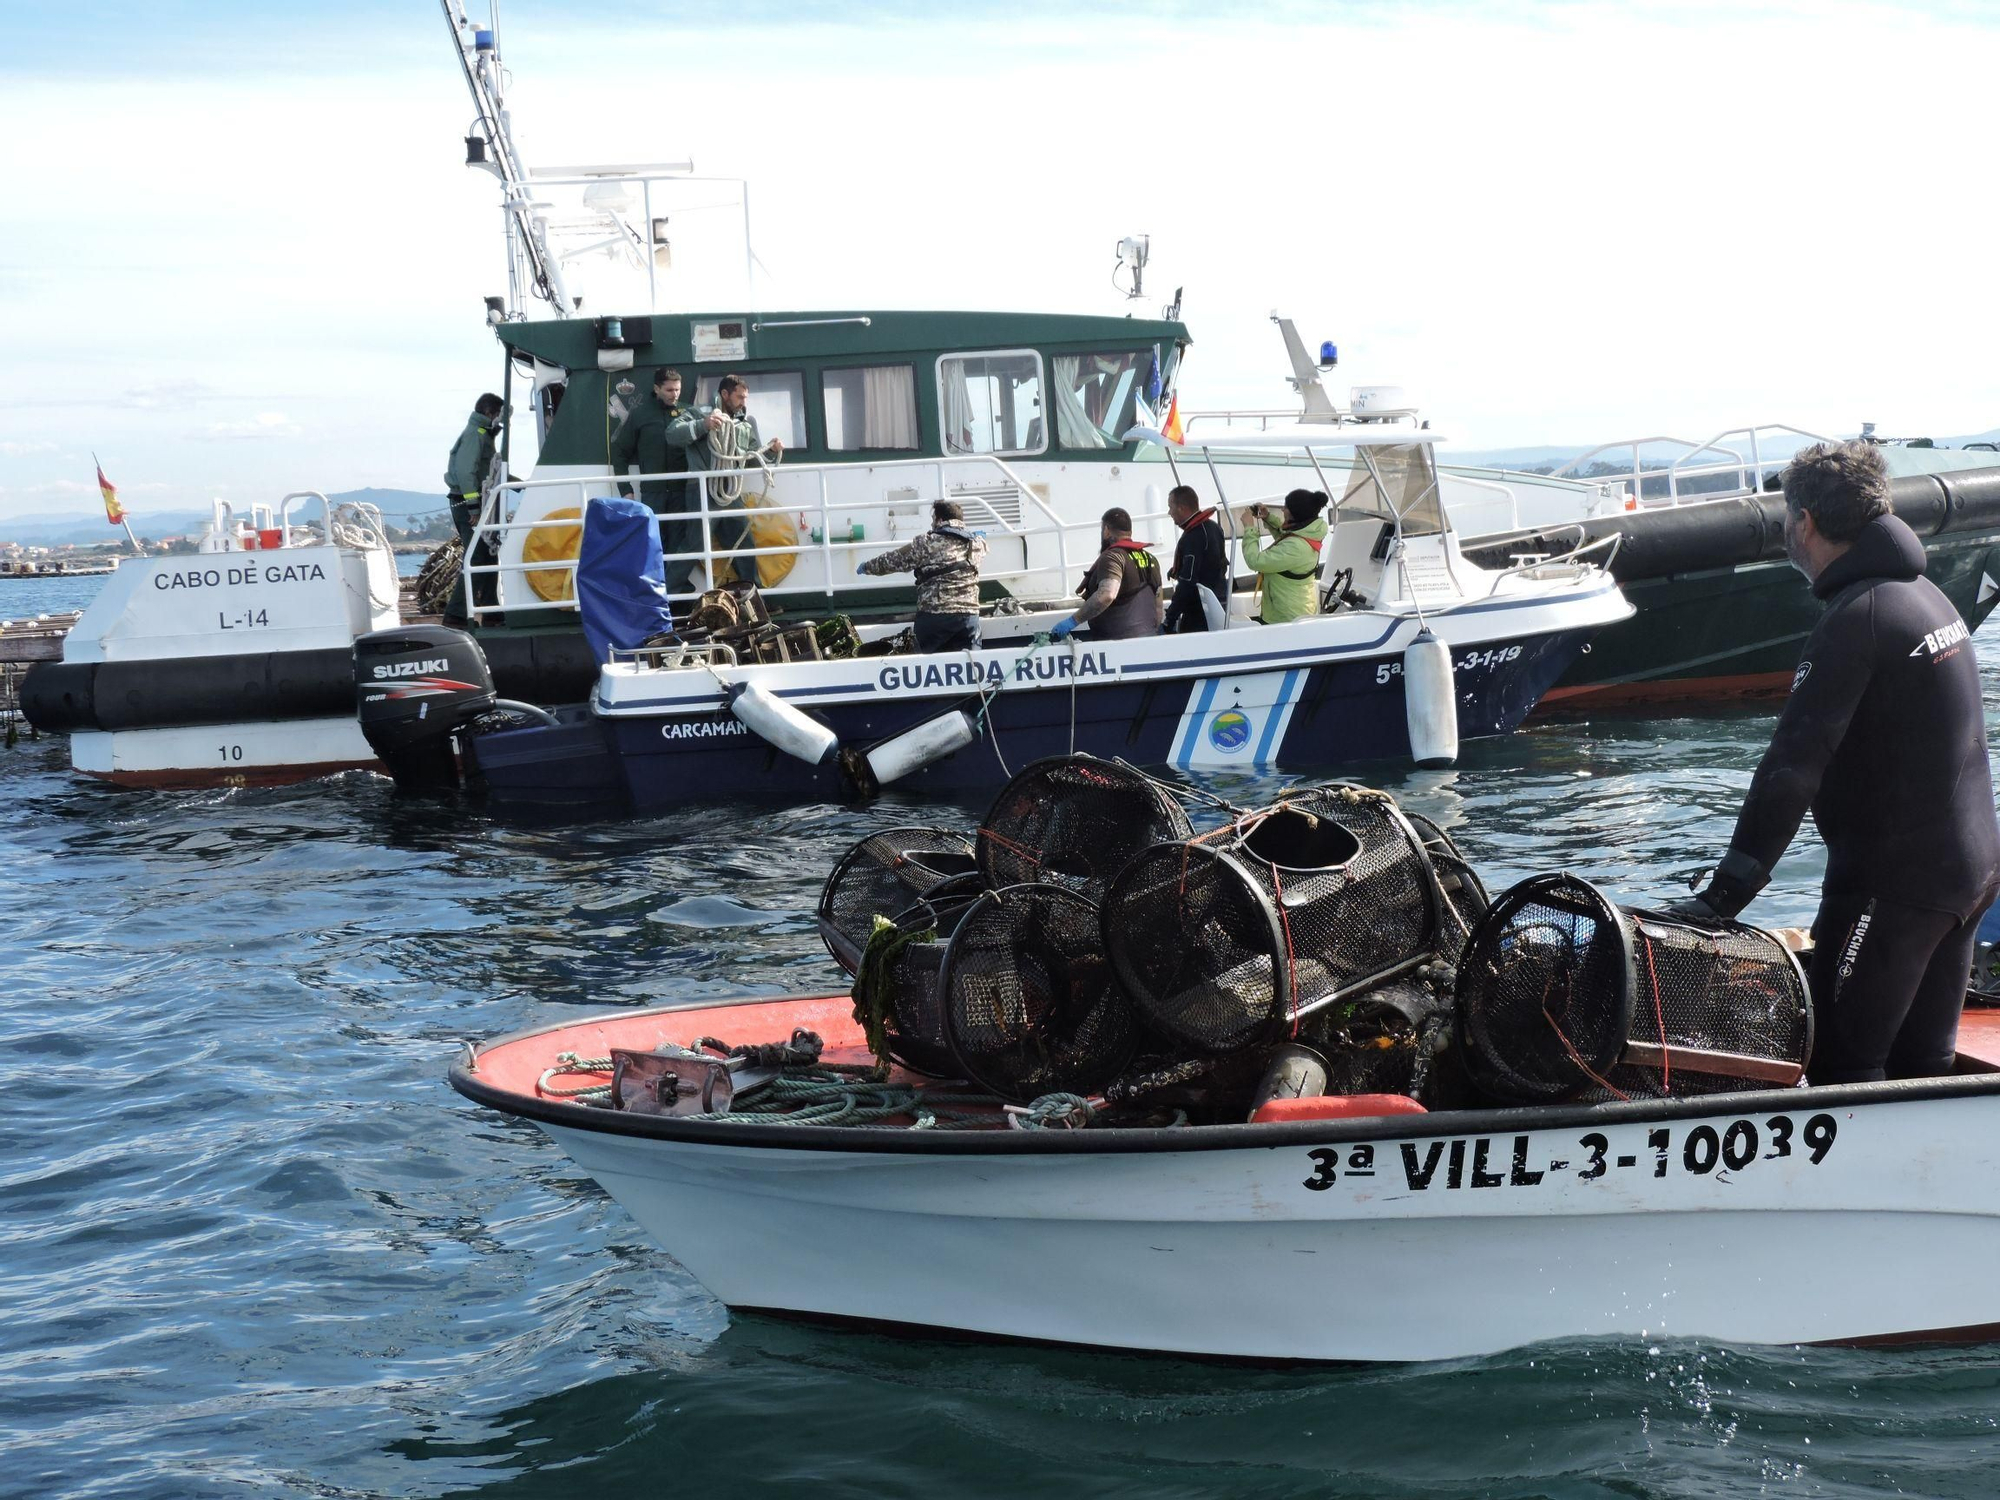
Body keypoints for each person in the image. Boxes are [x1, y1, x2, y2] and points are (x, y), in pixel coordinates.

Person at [1673, 439, 1999, 1083]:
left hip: (1895, 885)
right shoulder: (1927, 597)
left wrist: (1726, 893)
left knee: (1838, 1071)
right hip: (1969, 872)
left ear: (1807, 522)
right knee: (1921, 1069)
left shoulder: (1858, 618)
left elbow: (1791, 769)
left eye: (1785, 516)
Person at [667, 374, 783, 594]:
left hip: (730, 492)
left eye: (745, 398)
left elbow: (753, 455)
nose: (743, 402)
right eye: (739, 397)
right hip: (702, 490)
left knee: (743, 543)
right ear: (724, 394)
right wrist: (704, 425)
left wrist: (773, 450)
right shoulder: (699, 413)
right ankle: (666, 596)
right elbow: (672, 434)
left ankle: (754, 596)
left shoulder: (746, 423)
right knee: (696, 544)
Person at [856, 500, 988, 652]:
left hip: (934, 617)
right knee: (968, 667)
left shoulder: (925, 543)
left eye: (933, 520)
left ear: (939, 520)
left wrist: (867, 567)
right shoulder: (977, 544)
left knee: (926, 667)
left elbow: (893, 561)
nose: (932, 525)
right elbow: (981, 547)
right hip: (968, 618)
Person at [609, 368, 694, 592]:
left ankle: (676, 597)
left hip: (682, 492)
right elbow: (619, 451)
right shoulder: (640, 415)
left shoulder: (689, 412)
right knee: (652, 545)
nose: (674, 394)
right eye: (669, 390)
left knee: (680, 546)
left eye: (677, 389)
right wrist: (625, 488)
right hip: (653, 493)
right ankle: (655, 595)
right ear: (656, 389)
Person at [441, 392, 506, 627]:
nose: (500, 420)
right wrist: (473, 508)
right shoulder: (475, 436)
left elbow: (486, 469)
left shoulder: (483, 435)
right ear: (490, 413)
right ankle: (455, 617)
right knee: (477, 555)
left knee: (489, 554)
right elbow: (467, 472)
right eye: (499, 415)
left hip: (475, 502)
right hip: (467, 504)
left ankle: (492, 612)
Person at [1051, 507, 1160, 641]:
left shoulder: (1113, 557)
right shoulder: (1150, 558)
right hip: (1150, 638)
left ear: (1107, 530)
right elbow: (1158, 604)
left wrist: (1073, 621)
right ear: (1130, 531)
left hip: (1118, 643)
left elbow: (1107, 594)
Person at [1238, 489, 1328, 625]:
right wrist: (1268, 517)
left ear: (1295, 513)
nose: (1282, 510)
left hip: (1287, 617)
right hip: (1294, 610)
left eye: (1286, 507)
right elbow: (1285, 536)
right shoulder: (1307, 533)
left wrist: (1249, 528)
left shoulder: (1296, 547)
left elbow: (1255, 561)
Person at [1162, 484, 1228, 633]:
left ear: (1182, 508)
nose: (1169, 512)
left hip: (1198, 613)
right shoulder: (1213, 527)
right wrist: (1177, 569)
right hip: (1217, 604)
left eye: (1170, 507)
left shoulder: (1193, 537)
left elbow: (1188, 581)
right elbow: (1216, 563)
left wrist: (1170, 618)